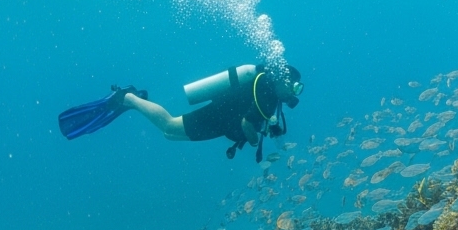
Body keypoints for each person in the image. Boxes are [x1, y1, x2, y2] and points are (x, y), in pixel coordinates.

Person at [59, 64, 303, 160]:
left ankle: (135, 102)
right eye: (293, 86)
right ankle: (130, 98)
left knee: (169, 135)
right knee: (169, 125)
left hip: (221, 122)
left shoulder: (270, 95)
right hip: (218, 117)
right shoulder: (266, 92)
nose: (294, 93)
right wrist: (251, 141)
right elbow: (248, 124)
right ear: (281, 79)